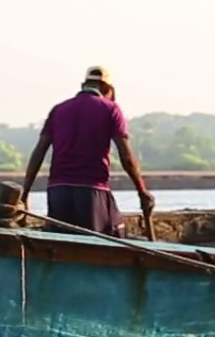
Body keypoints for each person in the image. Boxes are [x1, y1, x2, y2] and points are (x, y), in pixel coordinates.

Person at [21, 66, 155, 236]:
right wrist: (142, 190)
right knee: (114, 233)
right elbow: (126, 155)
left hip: (58, 190)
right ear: (107, 89)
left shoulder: (59, 109)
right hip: (91, 189)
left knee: (62, 241)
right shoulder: (111, 109)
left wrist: (25, 193)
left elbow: (39, 152)